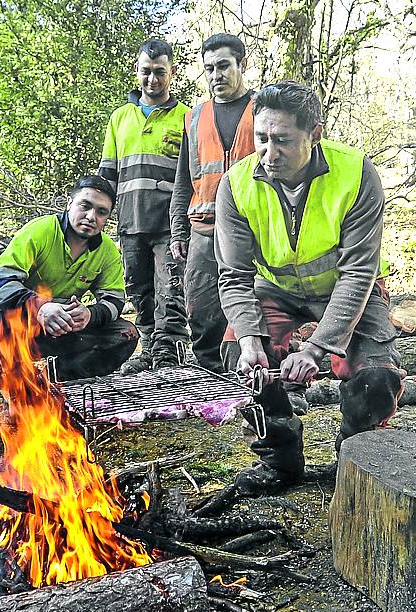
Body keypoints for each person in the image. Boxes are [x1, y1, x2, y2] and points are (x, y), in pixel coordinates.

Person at [214, 81, 404, 495]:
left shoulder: (355, 173)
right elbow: (232, 276)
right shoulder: (235, 184)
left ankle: (354, 460)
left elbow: (357, 272)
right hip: (277, 289)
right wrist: (249, 339)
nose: (268, 153)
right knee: (241, 360)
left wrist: (316, 349)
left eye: (282, 140)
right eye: (261, 138)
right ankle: (280, 459)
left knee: (376, 376)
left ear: (315, 134)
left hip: (350, 288)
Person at [0, 175, 138, 380]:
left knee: (125, 333)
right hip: (22, 325)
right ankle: (9, 372)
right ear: (69, 204)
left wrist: (89, 315)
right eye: (85, 206)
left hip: (64, 328)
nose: (91, 216)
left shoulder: (108, 251)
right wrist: (41, 308)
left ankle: (50, 378)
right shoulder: (41, 231)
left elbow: (115, 299)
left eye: (101, 212)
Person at [99, 38, 190, 373]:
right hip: (130, 222)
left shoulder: (186, 119)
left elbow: (191, 176)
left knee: (171, 290)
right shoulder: (120, 118)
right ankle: (150, 348)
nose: (153, 79)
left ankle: (171, 354)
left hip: (171, 225)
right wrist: (99, 218)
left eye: (160, 72)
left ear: (172, 73)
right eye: (146, 72)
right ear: (137, 72)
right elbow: (107, 173)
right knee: (139, 290)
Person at [169, 33, 255, 374]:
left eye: (223, 66)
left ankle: (251, 379)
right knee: (202, 310)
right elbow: (182, 181)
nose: (216, 75)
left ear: (241, 65)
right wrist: (178, 231)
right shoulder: (194, 117)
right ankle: (211, 378)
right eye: (209, 69)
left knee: (251, 306)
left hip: (252, 229)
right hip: (203, 232)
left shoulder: (263, 109)